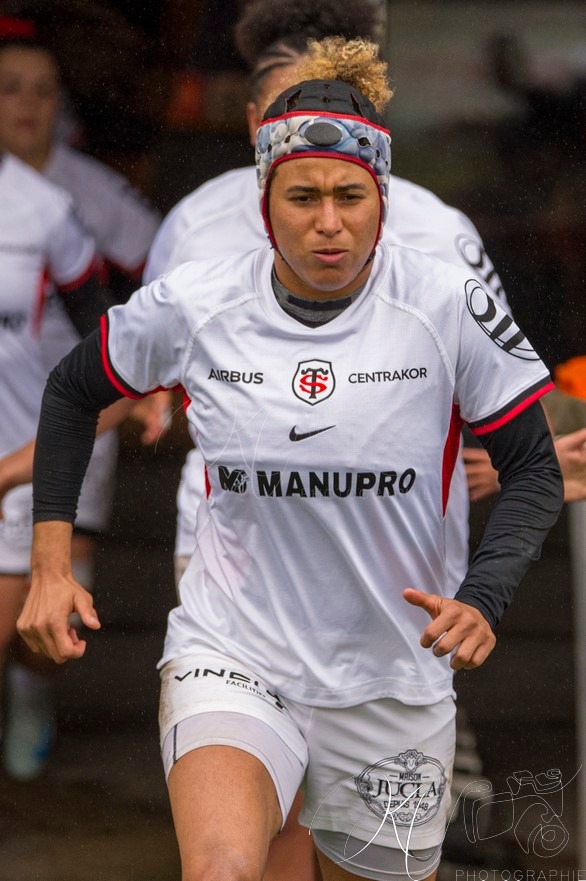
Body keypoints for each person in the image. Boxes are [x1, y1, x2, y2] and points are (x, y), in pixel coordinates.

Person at [18, 37, 564, 881]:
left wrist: (483, 597)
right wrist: (51, 563)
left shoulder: (447, 305)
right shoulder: (196, 301)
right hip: (234, 649)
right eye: (302, 195)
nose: (329, 222)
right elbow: (72, 391)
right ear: (264, 200)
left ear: (382, 198)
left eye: (351, 195)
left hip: (392, 673)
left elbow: (531, 467)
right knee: (225, 869)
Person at [0, 16, 161, 779]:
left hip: (58, 422)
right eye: (9, 90)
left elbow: (158, 275)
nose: (26, 106)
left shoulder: (71, 200)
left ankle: (34, 699)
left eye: (42, 91)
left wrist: (144, 379)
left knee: (57, 603)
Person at [0, 141, 118, 777]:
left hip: (20, 445)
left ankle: (31, 695)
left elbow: (106, 338)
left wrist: (141, 392)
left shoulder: (43, 207)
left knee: (40, 641)